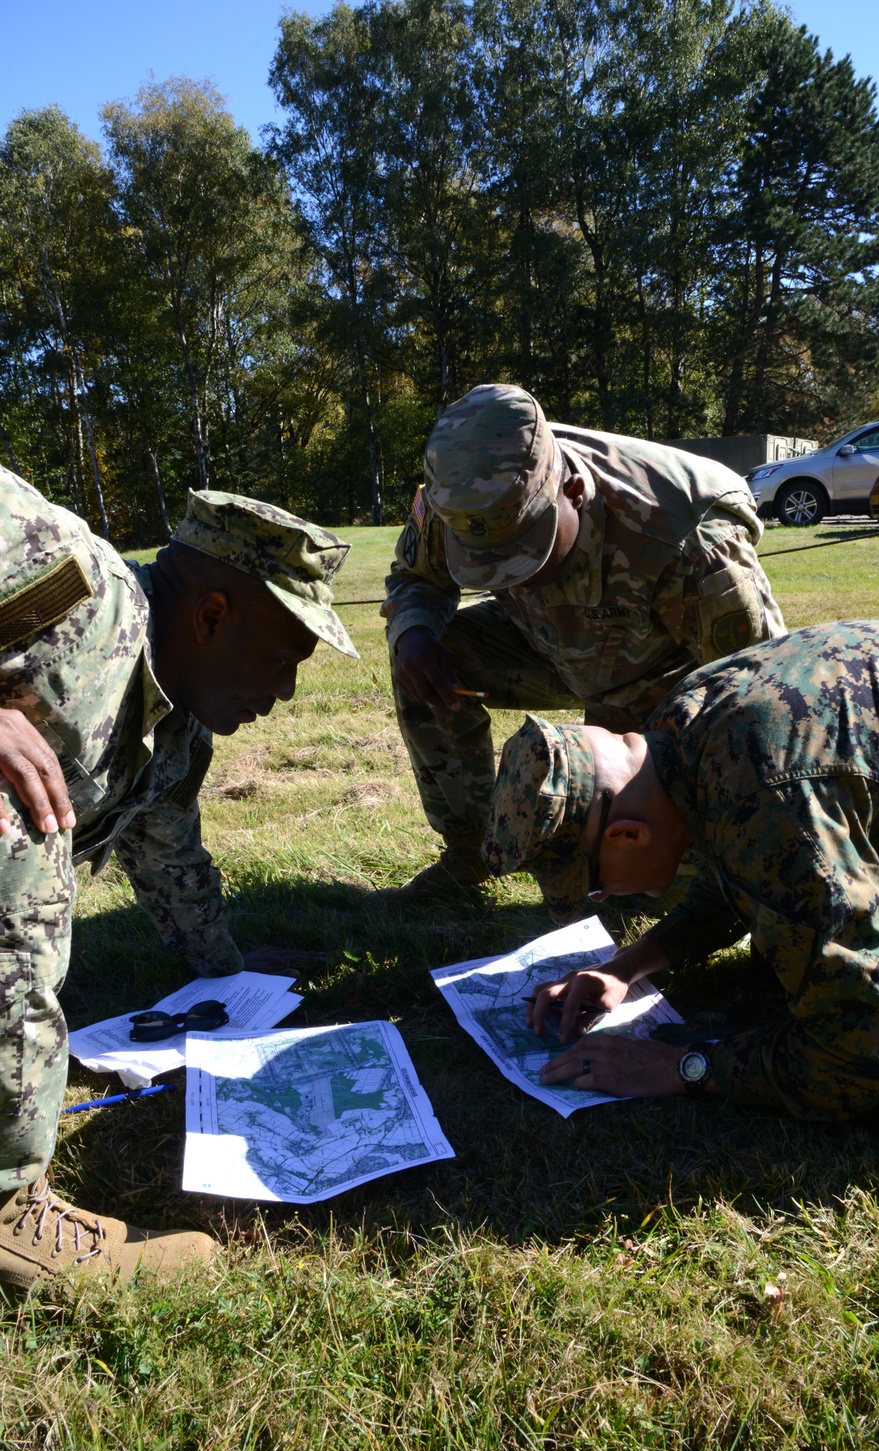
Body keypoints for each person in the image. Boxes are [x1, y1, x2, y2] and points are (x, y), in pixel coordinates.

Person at [0, 473, 358, 1289]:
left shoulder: (172, 727)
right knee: (15, 819)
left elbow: (169, 858)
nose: (286, 692)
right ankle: (8, 1208)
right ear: (211, 616)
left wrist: (227, 976)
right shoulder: (58, 571)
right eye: (285, 658)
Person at [482, 621, 879, 1163]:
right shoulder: (677, 736)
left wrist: (683, 1067)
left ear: (627, 835)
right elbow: (742, 871)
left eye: (594, 888)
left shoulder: (771, 794)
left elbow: (874, 1045)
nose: (605, 897)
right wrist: (626, 966)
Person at [383, 383, 785, 896]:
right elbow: (415, 578)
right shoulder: (463, 501)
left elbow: (759, 700)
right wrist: (414, 631)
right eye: (487, 564)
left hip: (662, 677)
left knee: (651, 894)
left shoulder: (689, 539)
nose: (513, 580)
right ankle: (472, 849)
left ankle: (705, 870)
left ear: (574, 492)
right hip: (543, 648)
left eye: (529, 550)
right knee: (424, 662)